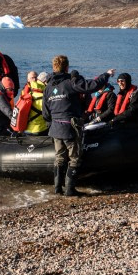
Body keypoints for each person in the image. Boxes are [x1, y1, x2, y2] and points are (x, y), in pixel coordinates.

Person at [43, 55, 114, 196]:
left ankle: (57, 189)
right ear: (67, 67)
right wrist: (106, 75)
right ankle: (69, 190)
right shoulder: (70, 83)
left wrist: (51, 122)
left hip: (56, 127)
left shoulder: (48, 87)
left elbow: (45, 112)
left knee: (59, 158)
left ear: (54, 67)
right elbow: (91, 86)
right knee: (74, 158)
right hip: (70, 127)